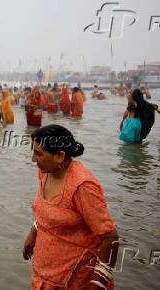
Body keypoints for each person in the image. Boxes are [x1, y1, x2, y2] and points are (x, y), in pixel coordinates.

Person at [24, 124, 119, 290]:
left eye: (38, 153)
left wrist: (98, 283)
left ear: (60, 156)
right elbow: (49, 210)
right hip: (45, 271)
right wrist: (34, 232)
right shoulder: (46, 172)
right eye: (33, 151)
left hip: (75, 277)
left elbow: (110, 238)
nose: (33, 159)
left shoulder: (82, 186)